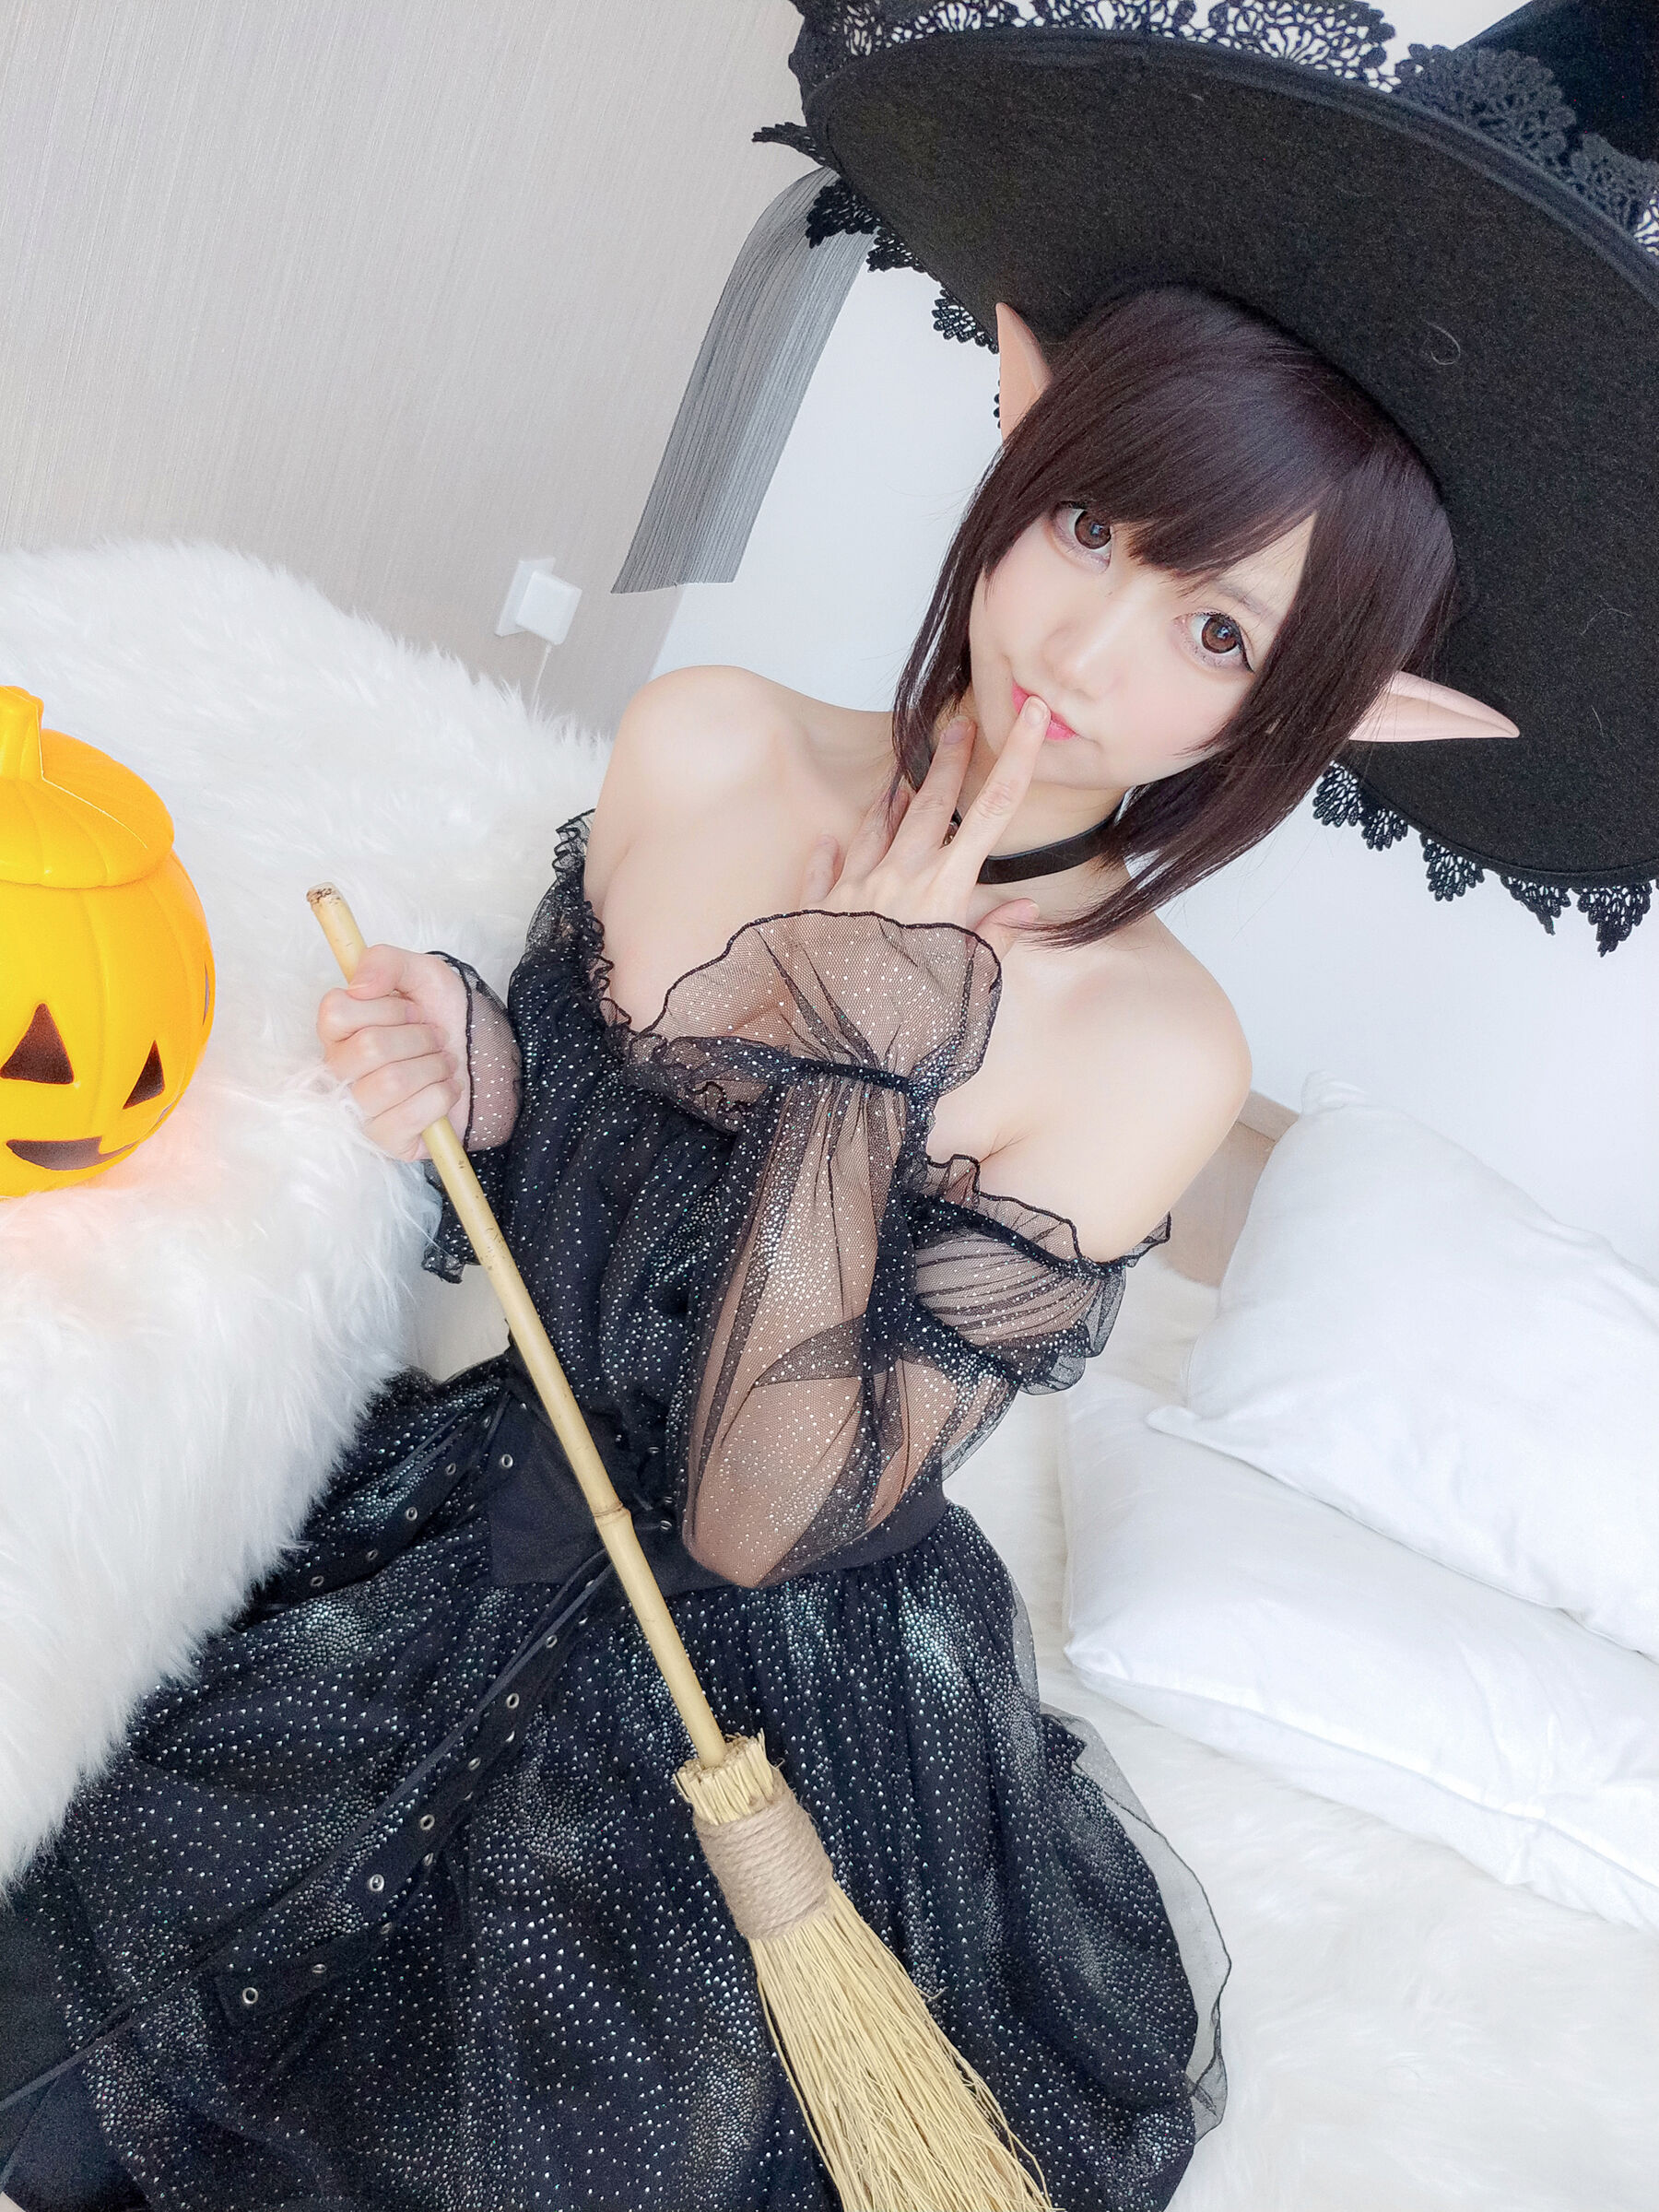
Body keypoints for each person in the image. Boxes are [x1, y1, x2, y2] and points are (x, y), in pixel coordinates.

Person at [8, 4, 1657, 2206]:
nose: (1090, 652)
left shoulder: (1154, 1055)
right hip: (483, 1516)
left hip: (780, 1677)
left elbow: (757, 1515)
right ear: (1021, 418)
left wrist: (860, 1069)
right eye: (1098, 521)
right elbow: (577, 1180)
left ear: (1343, 708)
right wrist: (479, 1064)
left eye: (1223, 636)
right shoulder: (704, 742)